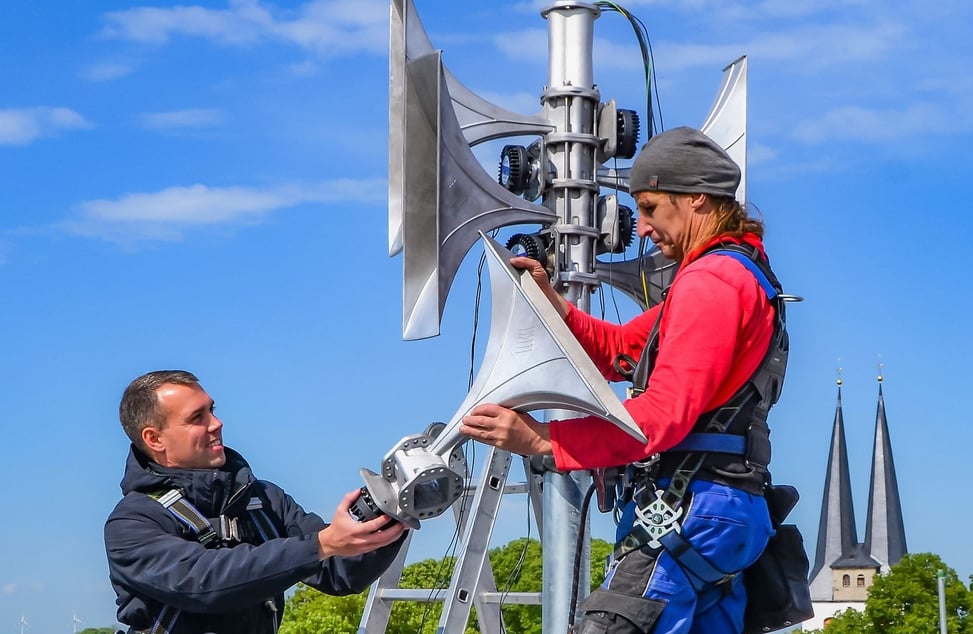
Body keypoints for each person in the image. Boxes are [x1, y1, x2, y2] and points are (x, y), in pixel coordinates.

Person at [460, 126, 789, 633]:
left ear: (696, 198)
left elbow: (660, 418)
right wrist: (557, 309)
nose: (642, 228)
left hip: (687, 507)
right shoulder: (742, 276)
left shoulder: (710, 284)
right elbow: (621, 352)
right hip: (728, 507)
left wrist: (544, 440)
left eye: (652, 208)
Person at [104, 370, 408, 634]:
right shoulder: (132, 523)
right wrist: (320, 544)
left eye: (212, 410)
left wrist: (402, 499)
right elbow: (204, 582)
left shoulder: (262, 499)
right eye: (197, 418)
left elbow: (340, 572)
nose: (217, 423)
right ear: (154, 439)